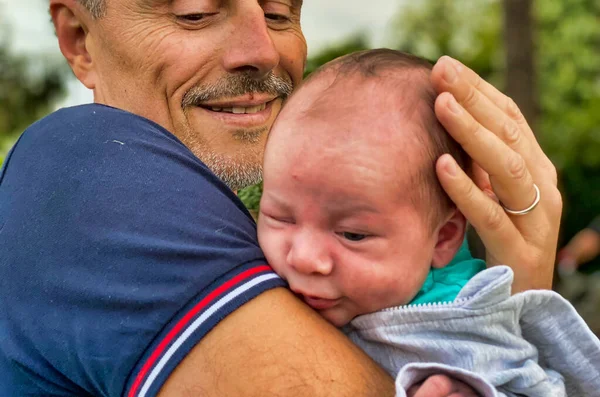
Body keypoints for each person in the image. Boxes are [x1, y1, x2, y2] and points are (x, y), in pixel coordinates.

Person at [0, 1, 562, 396]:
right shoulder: (83, 162)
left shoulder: (274, 245)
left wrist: (505, 305)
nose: (261, 50)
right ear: (79, 39)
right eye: (193, 12)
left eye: (279, 13)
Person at [257, 49, 600, 397]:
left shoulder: (464, 327)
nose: (303, 257)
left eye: (353, 234)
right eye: (280, 217)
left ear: (443, 238)